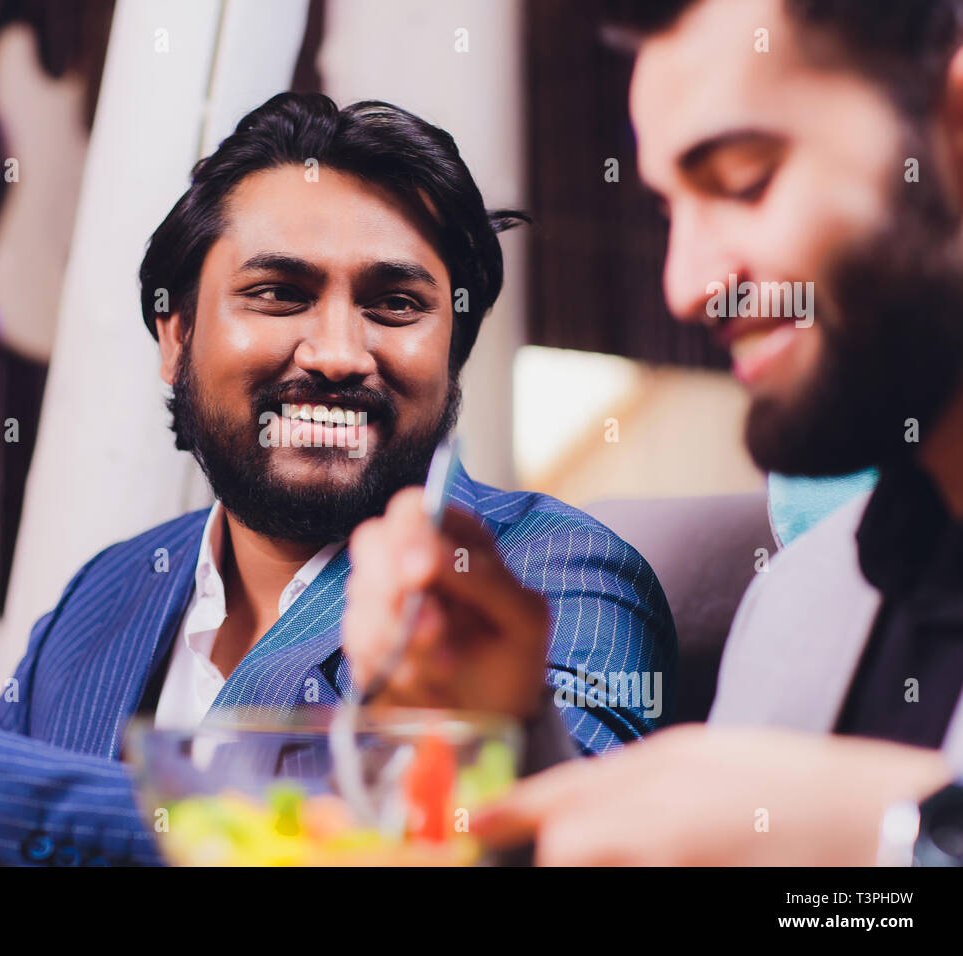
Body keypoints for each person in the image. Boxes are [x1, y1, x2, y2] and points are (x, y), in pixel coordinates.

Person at [0, 93, 676, 865]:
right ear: (175, 335)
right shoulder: (107, 591)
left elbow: (494, 839)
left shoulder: (556, 575)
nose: (334, 349)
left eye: (395, 303)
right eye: (277, 292)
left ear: (450, 353)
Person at [346, 0, 963, 865]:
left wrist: (904, 834)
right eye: (671, 211)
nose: (685, 286)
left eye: (745, 178)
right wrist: (514, 745)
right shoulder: (804, 609)